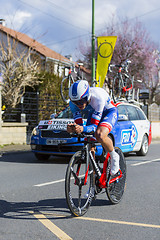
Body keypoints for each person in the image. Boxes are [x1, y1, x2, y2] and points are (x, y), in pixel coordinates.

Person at [67, 80, 119, 176]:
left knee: (100, 135)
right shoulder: (72, 104)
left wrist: (83, 129)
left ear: (88, 95)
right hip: (94, 112)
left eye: (82, 100)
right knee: (88, 141)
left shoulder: (97, 98)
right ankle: (94, 180)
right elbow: (80, 125)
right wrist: (74, 128)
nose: (79, 104)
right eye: (75, 102)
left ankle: (114, 156)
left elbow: (94, 128)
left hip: (108, 112)